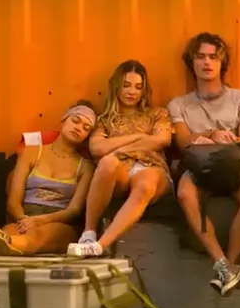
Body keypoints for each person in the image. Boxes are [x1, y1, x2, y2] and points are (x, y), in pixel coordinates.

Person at [169, 32, 240, 295]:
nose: (207, 62)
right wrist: (212, 134)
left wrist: (223, 141)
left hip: (235, 166)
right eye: (200, 56)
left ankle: (230, 264)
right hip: (198, 168)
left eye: (213, 57)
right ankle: (221, 263)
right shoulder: (178, 104)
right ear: (192, 63)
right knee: (185, 193)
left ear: (223, 63)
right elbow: (183, 143)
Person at [68, 60, 173, 256]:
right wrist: (139, 137)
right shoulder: (104, 120)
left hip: (152, 168)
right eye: (126, 85)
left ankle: (100, 245)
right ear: (117, 86)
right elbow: (97, 148)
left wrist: (118, 149)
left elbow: (161, 140)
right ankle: (88, 233)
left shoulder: (157, 114)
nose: (132, 91)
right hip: (122, 173)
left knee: (145, 184)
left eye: (138, 87)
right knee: (107, 162)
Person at [0, 102, 96, 255]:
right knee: (11, 229)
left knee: (45, 234)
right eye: (75, 120)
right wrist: (23, 219)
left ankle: (5, 242)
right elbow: (14, 200)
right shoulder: (32, 152)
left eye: (86, 128)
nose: (79, 128)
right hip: (25, 217)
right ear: (63, 121)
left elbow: (74, 210)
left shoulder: (86, 166)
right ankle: (0, 239)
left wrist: (39, 221)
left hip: (58, 222)